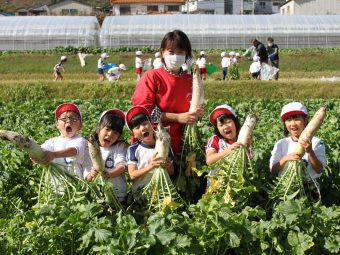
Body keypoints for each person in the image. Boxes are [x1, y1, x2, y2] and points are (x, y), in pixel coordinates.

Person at [131, 30, 203, 155]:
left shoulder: (190, 80)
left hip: (179, 143)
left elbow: (193, 108)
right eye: (171, 52)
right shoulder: (151, 77)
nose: (176, 56)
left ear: (186, 55)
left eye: (180, 52)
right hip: (152, 141)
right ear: (162, 53)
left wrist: (197, 114)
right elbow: (143, 112)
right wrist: (178, 117)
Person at [270, 102, 326, 184]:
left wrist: (310, 151)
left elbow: (319, 169)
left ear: (305, 120)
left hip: (310, 187)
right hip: (285, 185)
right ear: (284, 123)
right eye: (288, 120)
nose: (293, 124)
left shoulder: (316, 142)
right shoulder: (281, 144)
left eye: (297, 119)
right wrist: (286, 158)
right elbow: (273, 170)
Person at [31, 103, 91, 179]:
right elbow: (40, 150)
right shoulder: (52, 142)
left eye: (74, 118)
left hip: (76, 183)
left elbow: (73, 150)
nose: (69, 121)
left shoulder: (80, 140)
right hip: (56, 187)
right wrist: (35, 156)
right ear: (57, 124)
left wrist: (53, 155)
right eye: (64, 118)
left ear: (80, 126)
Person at [125, 106, 174, 194]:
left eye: (145, 124)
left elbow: (171, 172)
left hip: (162, 192)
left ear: (151, 125)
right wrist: (151, 166)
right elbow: (132, 175)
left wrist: (168, 165)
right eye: (137, 127)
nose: (143, 128)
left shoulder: (165, 144)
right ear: (133, 134)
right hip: (141, 193)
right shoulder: (133, 149)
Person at [84, 109, 128, 203]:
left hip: (118, 195)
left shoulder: (119, 146)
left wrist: (110, 174)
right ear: (98, 129)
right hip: (97, 197)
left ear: (119, 136)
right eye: (107, 129)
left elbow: (122, 166)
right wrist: (92, 174)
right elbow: (86, 177)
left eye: (115, 133)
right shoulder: (89, 147)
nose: (110, 134)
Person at [205, 105, 244, 183]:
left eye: (228, 122)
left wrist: (247, 146)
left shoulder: (242, 142)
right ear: (217, 129)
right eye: (221, 125)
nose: (225, 127)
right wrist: (229, 150)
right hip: (216, 187)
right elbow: (209, 160)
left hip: (237, 185)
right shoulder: (215, 139)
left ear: (235, 122)